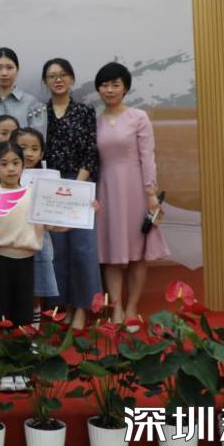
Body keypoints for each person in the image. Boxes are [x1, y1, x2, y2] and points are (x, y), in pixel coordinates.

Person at [94, 62, 169, 323]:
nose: (109, 90)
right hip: (106, 190)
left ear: (125, 87)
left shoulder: (139, 117)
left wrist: (151, 193)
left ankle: (132, 308)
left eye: (115, 84)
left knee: (137, 254)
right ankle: (115, 308)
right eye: (104, 85)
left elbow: (148, 157)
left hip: (136, 189)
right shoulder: (95, 121)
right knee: (111, 255)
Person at [41, 58, 102, 330]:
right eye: (52, 76)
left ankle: (82, 307)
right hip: (49, 187)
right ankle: (60, 306)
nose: (58, 79)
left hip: (80, 183)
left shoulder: (84, 112)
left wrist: (76, 188)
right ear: (45, 82)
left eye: (63, 74)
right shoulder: (39, 113)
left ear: (72, 79)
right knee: (55, 250)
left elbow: (91, 151)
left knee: (82, 248)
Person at [0, 139, 43, 327]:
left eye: (15, 163)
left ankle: (22, 342)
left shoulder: (33, 194)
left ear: (23, 165)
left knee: (24, 307)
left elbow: (55, 225)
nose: (11, 168)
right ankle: (0, 343)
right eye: (4, 164)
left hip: (27, 260)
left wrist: (84, 210)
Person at [13, 127, 60, 310]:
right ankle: (11, 325)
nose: (29, 153)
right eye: (22, 147)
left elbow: (56, 218)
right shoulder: (5, 176)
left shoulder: (49, 178)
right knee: (13, 285)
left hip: (38, 238)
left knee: (36, 285)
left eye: (35, 149)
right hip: (11, 239)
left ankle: (34, 324)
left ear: (41, 153)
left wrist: (84, 209)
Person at [0, 47, 47, 133]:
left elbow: (39, 137)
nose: (4, 73)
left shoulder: (32, 103)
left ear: (17, 69)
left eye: (9, 68)